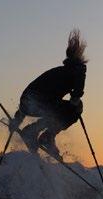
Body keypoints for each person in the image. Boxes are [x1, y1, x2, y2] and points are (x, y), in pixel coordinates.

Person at [10, 29, 87, 160]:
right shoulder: (78, 71)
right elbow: (75, 100)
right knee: (75, 109)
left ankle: (36, 132)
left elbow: (31, 95)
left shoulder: (57, 72)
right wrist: (76, 103)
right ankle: (45, 136)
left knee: (61, 108)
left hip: (28, 103)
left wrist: (17, 119)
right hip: (38, 103)